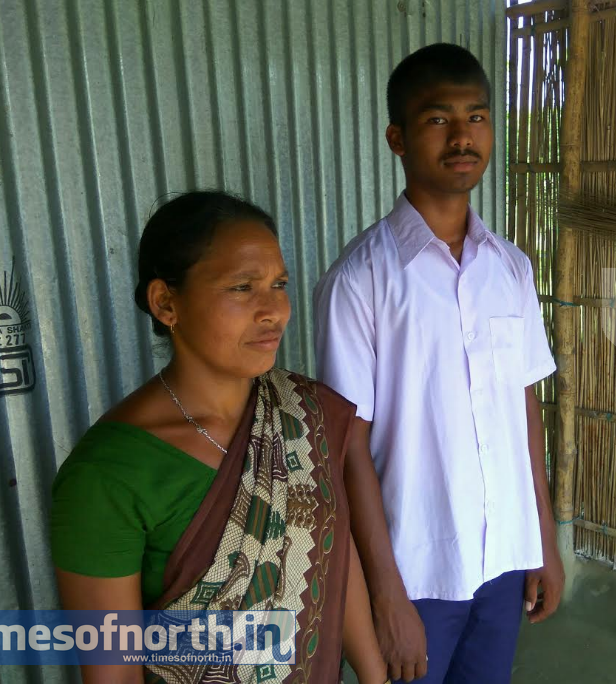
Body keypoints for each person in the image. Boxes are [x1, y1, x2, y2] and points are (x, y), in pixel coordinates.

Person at [50, 191, 387, 684]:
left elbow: (329, 556)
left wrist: (375, 676)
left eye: (279, 284)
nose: (274, 310)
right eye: (242, 287)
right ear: (166, 302)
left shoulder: (301, 413)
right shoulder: (108, 475)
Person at [314, 43, 564, 684]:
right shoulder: (360, 280)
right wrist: (385, 594)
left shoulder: (510, 269)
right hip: (416, 569)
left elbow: (524, 407)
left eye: (476, 117)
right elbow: (348, 445)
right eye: (437, 119)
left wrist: (543, 539)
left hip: (506, 558)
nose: (462, 137)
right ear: (397, 137)